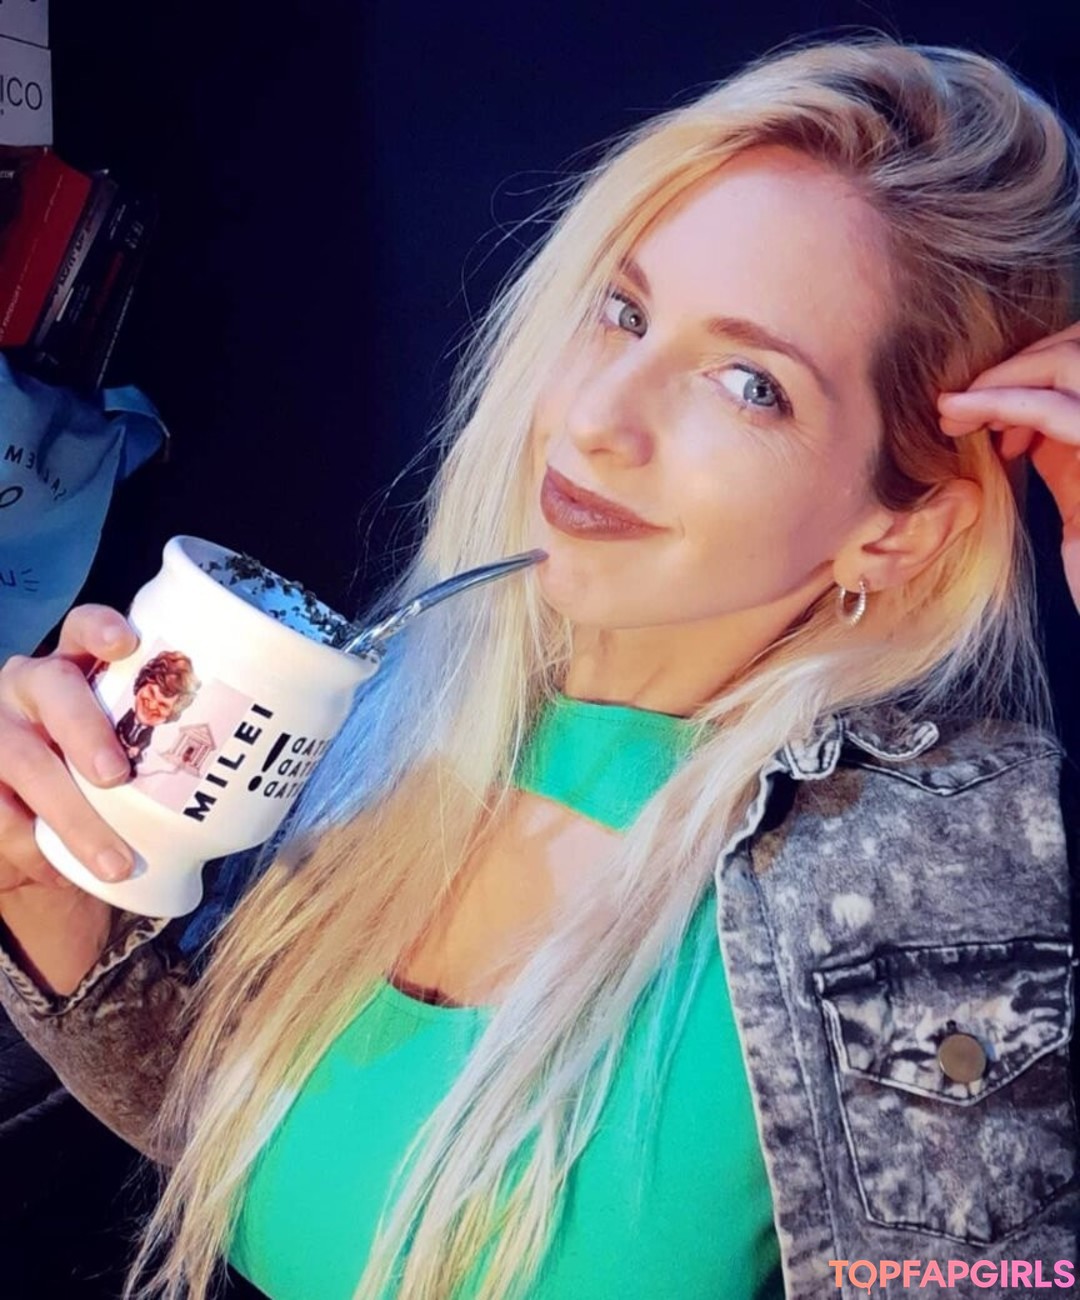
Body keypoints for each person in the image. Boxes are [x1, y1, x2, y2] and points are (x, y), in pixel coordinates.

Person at [0, 33, 1078, 1300]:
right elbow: (281, 1162)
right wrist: (54, 903)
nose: (594, 418)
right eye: (623, 311)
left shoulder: (932, 876)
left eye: (749, 384)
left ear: (897, 530)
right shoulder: (400, 698)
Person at [113, 650, 200, 773]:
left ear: (171, 714)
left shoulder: (154, 758)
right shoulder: (122, 715)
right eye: (151, 692)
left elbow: (145, 742)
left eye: (163, 704)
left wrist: (136, 749)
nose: (152, 705)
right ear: (141, 685)